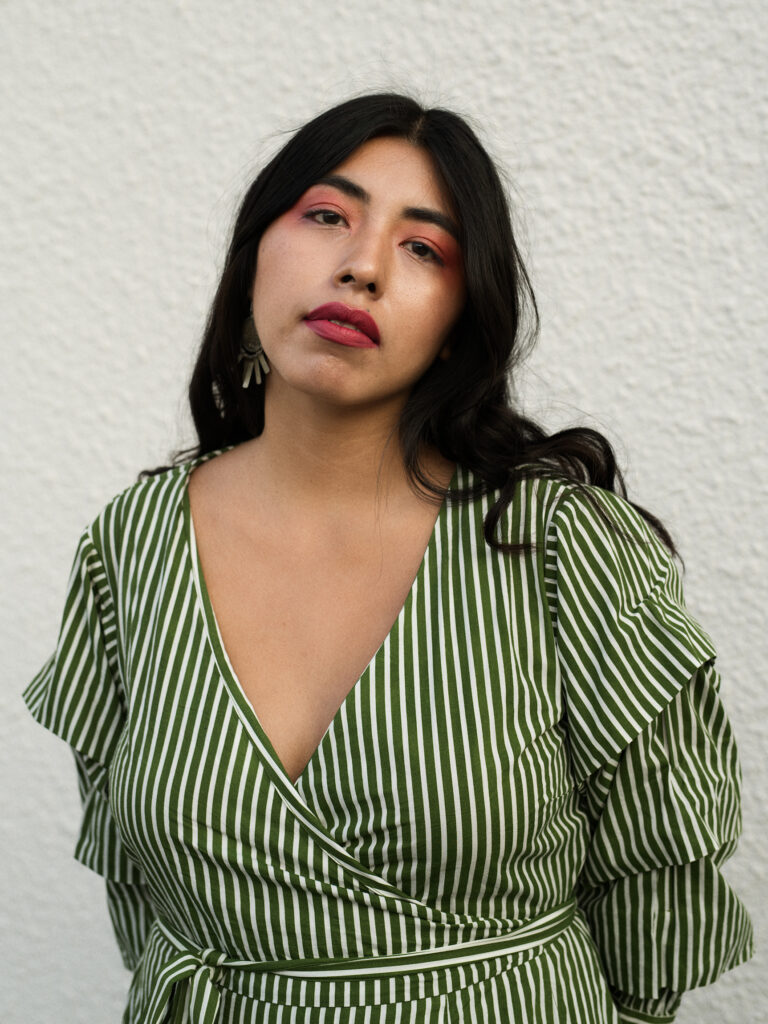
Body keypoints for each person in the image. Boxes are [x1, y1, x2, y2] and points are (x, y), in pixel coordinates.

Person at [23, 92, 753, 1023]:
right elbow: (142, 895)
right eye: (327, 215)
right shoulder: (133, 546)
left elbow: (657, 896)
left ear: (461, 318)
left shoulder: (564, 549)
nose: (361, 265)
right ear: (254, 254)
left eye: (423, 248)